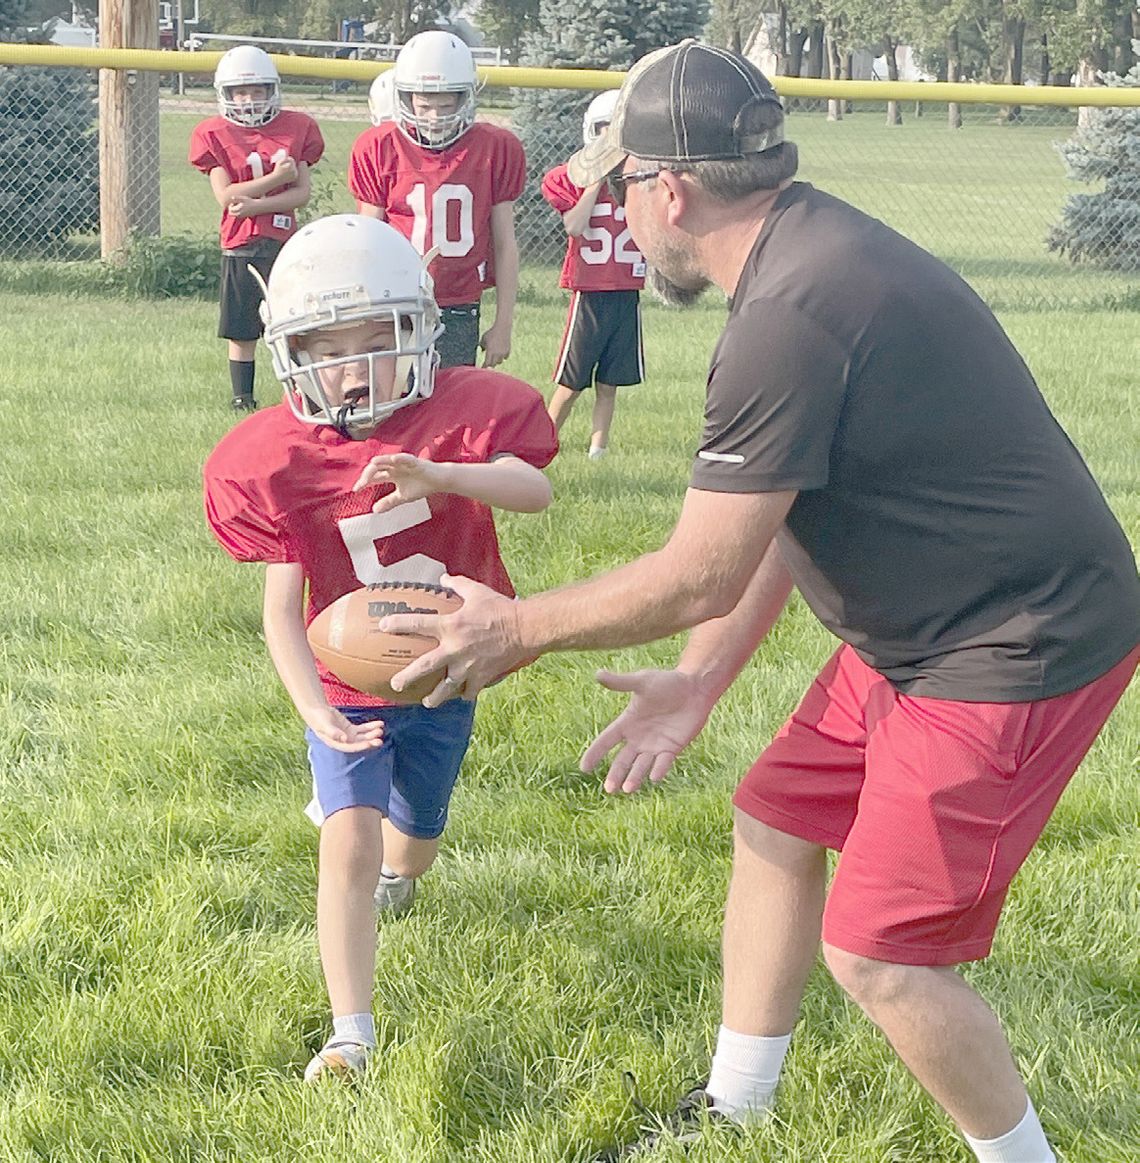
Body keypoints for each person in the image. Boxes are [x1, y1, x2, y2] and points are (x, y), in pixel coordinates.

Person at [372, 40, 1140, 1162]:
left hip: (1013, 640)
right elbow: (780, 519)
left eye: (620, 192)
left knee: (882, 954)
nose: (619, 220)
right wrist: (696, 680)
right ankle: (739, 1100)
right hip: (924, 623)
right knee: (776, 818)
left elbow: (700, 568)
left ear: (668, 191)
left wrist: (518, 625)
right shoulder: (805, 249)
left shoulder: (789, 313)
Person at [202, 214, 557, 1082]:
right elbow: (281, 610)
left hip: (446, 669)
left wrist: (439, 475)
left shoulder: (465, 412)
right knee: (349, 843)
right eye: (327, 349)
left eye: (372, 344)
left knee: (415, 841)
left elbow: (534, 487)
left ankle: (401, 873)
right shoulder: (278, 456)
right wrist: (317, 712)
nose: (350, 369)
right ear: (290, 354)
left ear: (419, 335)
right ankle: (350, 1032)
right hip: (349, 680)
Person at [348, 30, 526, 370]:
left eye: (446, 106)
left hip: (458, 302)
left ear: (465, 98)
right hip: (395, 298)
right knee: (393, 400)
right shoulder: (380, 146)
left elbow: (505, 243)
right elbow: (367, 239)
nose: (434, 117)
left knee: (451, 404)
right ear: (404, 97)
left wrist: (504, 323)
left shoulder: (495, 148)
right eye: (425, 106)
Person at [189, 45, 325, 412]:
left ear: (273, 90)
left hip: (283, 243)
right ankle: (242, 397)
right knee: (241, 328)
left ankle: (303, 394)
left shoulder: (297, 127)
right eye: (241, 92)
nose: (249, 99)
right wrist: (274, 179)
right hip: (240, 244)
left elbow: (301, 193)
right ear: (226, 94)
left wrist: (257, 205)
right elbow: (226, 197)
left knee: (294, 325)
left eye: (258, 90)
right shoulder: (213, 133)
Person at [541, 90, 647, 460]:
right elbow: (574, 226)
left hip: (627, 291)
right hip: (590, 291)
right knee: (571, 383)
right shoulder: (571, 178)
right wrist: (594, 182)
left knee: (610, 382)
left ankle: (597, 451)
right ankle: (542, 441)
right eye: (604, 130)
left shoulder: (640, 178)